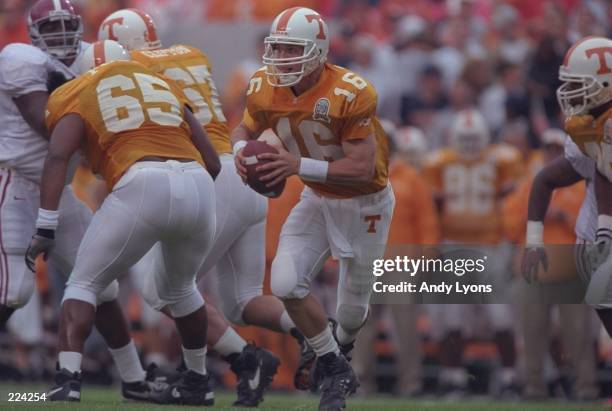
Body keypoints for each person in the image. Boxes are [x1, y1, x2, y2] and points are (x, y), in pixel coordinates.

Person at [97, 8, 307, 405]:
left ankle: (242, 361)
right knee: (242, 302)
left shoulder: (131, 70)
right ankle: (316, 334)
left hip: (210, 180)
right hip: (240, 175)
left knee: (164, 291)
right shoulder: (189, 53)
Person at [26, 42, 221, 404]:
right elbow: (213, 162)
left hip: (142, 179)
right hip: (197, 182)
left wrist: (46, 224)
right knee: (182, 290)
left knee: (84, 283)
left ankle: (67, 379)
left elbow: (57, 155)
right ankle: (197, 381)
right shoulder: (160, 83)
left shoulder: (77, 88)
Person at [232, 7, 395, 411]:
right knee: (286, 284)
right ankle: (334, 368)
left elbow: (360, 169)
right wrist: (238, 150)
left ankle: (338, 350)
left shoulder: (351, 91)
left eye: (293, 50)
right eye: (278, 48)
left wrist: (295, 165)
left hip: (365, 202)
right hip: (316, 197)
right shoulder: (263, 85)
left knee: (352, 311)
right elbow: (244, 127)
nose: (282, 58)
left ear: (319, 52)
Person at [0, 0, 163, 401]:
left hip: (63, 191)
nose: (59, 36)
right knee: (14, 293)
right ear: (34, 33)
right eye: (50, 28)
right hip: (17, 186)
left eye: (65, 26)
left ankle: (134, 378)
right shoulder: (19, 58)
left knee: (100, 284)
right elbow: (48, 125)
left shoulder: (94, 57)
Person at [524, 35, 612, 336]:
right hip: (598, 243)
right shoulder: (587, 132)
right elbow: (547, 179)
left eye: (577, 83)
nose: (569, 92)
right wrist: (534, 240)